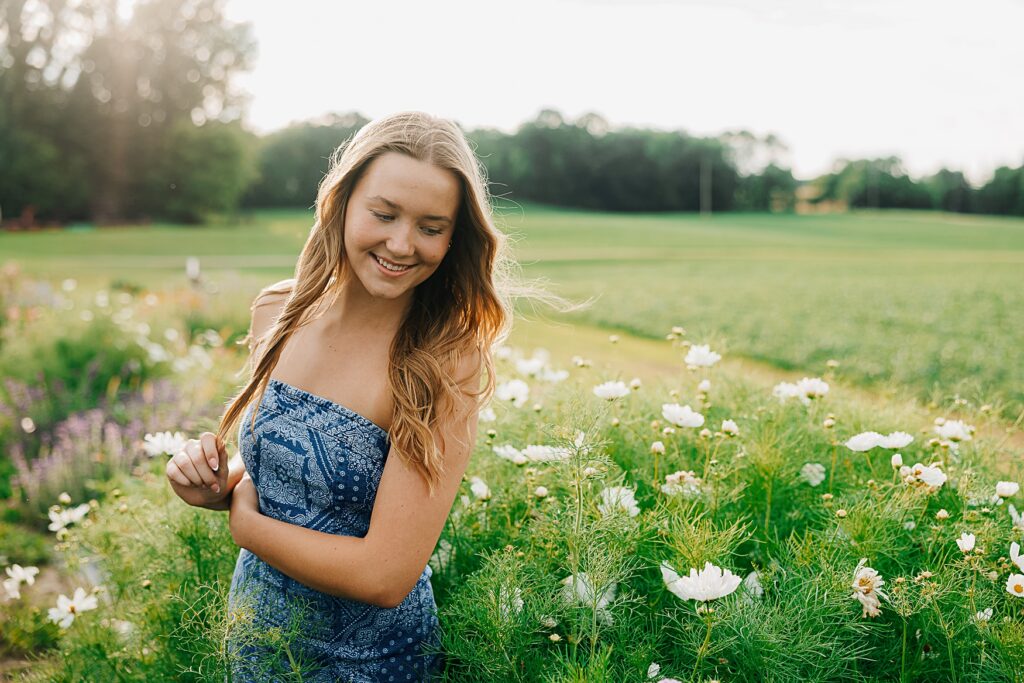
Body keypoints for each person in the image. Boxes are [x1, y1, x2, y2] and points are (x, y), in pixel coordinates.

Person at [164, 111, 538, 681]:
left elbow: (385, 576)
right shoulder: (278, 312)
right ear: (341, 203)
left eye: (431, 227)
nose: (401, 243)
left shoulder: (445, 361)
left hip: (371, 664)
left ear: (454, 236)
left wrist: (245, 525)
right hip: (259, 640)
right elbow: (287, 457)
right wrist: (219, 480)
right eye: (384, 214)